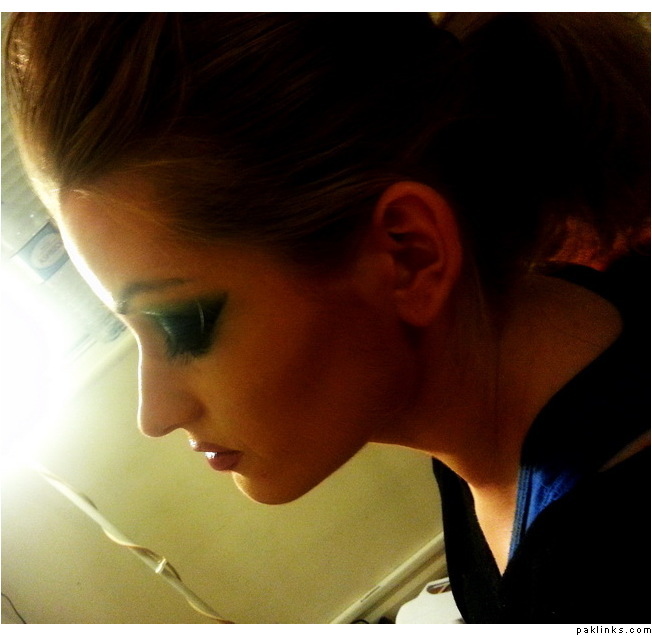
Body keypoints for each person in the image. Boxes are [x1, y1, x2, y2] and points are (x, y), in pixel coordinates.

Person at [4, 12, 649, 623]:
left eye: (182, 324)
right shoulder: (509, 387)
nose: (155, 414)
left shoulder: (606, 571)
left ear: (409, 255)